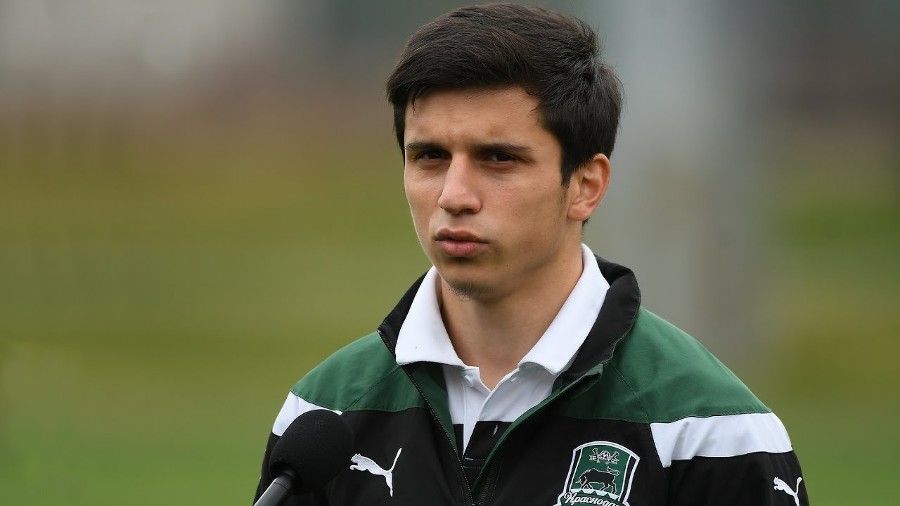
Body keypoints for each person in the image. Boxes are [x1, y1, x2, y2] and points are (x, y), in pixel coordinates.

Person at [253, 4, 808, 505]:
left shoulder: (711, 430)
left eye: (498, 158)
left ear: (586, 185)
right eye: (429, 156)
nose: (454, 196)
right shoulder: (323, 413)